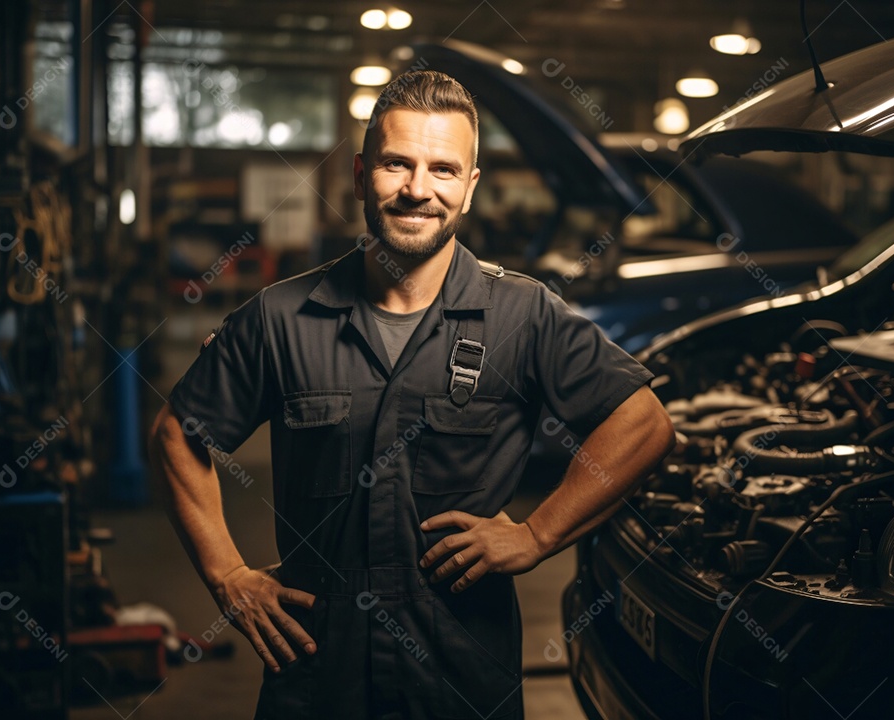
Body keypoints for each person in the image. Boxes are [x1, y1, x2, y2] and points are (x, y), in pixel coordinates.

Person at [148, 69, 674, 719]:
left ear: (471, 187)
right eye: (397, 164)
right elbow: (179, 434)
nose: (417, 190)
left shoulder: (525, 316)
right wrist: (228, 575)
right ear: (363, 171)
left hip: (461, 680)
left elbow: (644, 423)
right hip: (317, 680)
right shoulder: (280, 318)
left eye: (443, 170)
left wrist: (538, 533)